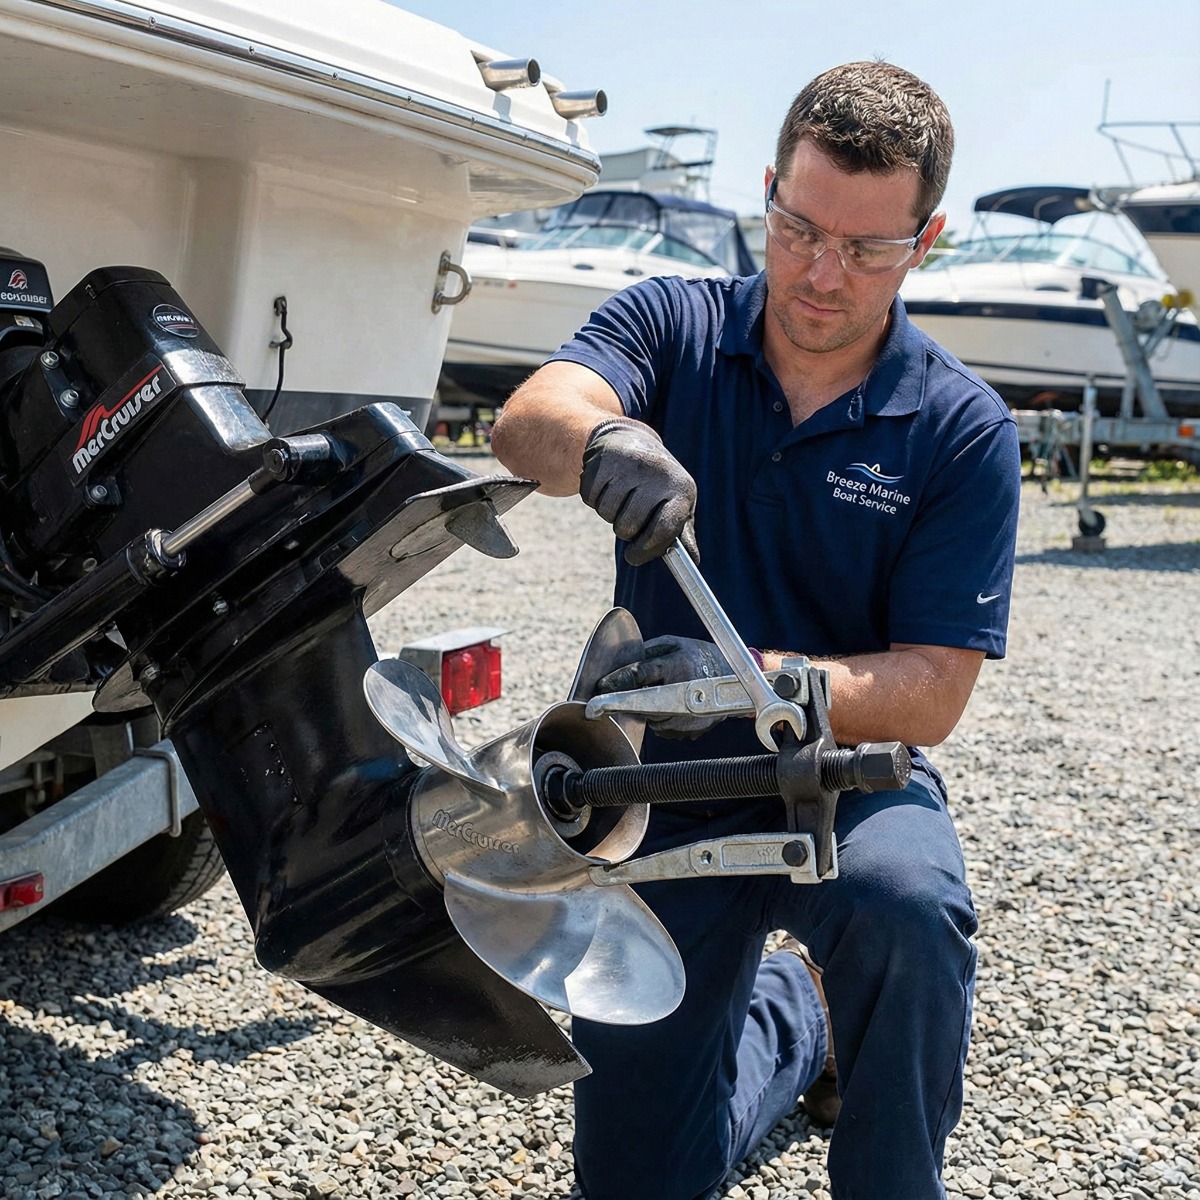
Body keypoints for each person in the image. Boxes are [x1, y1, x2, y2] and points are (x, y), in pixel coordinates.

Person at [490, 60, 1021, 1200]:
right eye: (798, 229)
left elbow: (931, 691)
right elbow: (528, 414)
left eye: (867, 249)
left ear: (922, 240)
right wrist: (598, 445)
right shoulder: (674, 324)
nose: (822, 274)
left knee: (910, 914)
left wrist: (751, 679)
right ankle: (793, 1027)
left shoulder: (962, 429)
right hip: (662, 789)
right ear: (769, 191)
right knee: (642, 1182)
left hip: (846, 774)